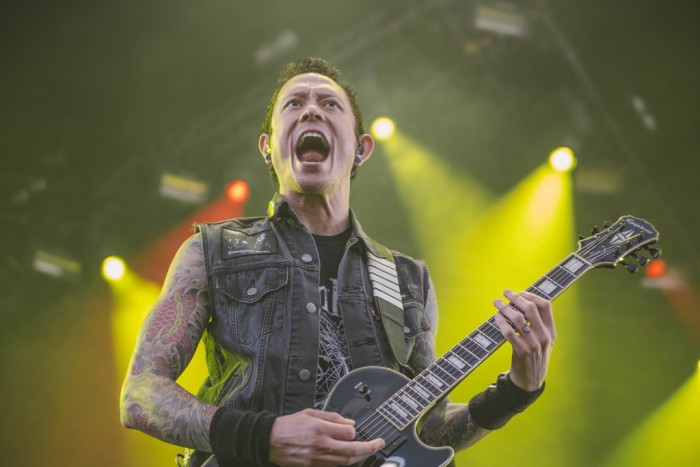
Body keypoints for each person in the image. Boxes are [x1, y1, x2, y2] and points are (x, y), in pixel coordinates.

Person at [120, 57, 556, 467]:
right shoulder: (214, 250)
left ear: (361, 148)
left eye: (329, 104)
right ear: (267, 147)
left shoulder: (407, 279)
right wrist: (265, 436)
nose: (311, 110)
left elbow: (428, 429)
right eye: (294, 104)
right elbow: (140, 393)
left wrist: (517, 390)